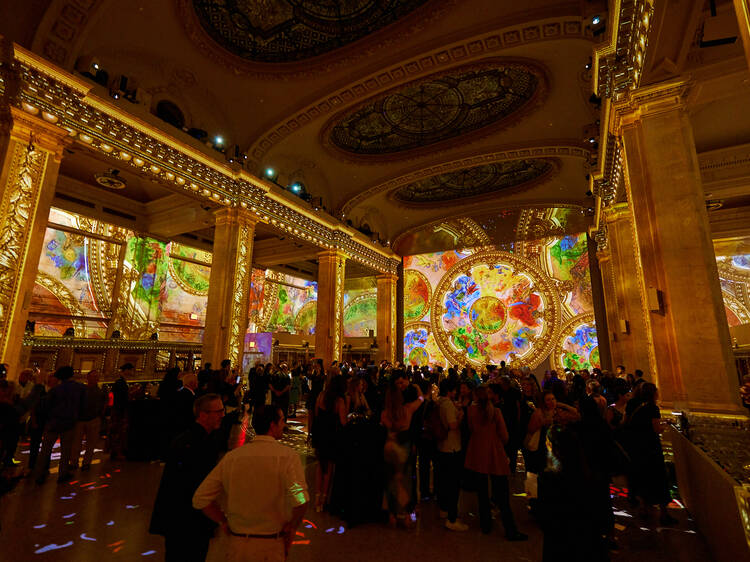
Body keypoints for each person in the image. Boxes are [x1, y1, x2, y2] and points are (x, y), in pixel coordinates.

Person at [192, 406, 309, 562]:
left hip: (238, 542)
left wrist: (223, 520)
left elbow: (200, 498)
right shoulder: (287, 457)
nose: (284, 425)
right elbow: (301, 499)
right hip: (271, 543)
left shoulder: (232, 458)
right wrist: (293, 526)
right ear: (272, 426)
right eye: (282, 421)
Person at [150, 393, 224, 561]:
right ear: (203, 415)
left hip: (186, 519)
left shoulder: (201, 439)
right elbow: (193, 486)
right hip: (186, 521)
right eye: (218, 411)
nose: (222, 415)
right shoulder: (195, 444)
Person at [464, 386, 527, 540]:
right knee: (502, 494)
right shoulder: (496, 412)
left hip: (477, 452)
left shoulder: (471, 411)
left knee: (482, 492)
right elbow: (505, 436)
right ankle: (510, 529)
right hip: (494, 453)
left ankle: (485, 525)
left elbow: (471, 428)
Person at [538, 425, 608, 561]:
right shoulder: (591, 476)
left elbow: (545, 516)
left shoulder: (549, 478)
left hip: (559, 542)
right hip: (588, 543)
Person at [625, 382, 677, 525]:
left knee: (643, 476)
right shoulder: (652, 408)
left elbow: (626, 422)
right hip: (651, 447)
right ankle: (664, 513)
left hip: (637, 446)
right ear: (653, 393)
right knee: (658, 477)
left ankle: (644, 508)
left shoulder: (633, 404)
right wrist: (665, 425)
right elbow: (656, 429)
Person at [381, 375, 424, 527]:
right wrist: (415, 386)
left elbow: (384, 427)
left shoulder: (385, 414)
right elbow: (421, 399)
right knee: (404, 481)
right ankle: (406, 514)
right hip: (404, 447)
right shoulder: (407, 410)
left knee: (391, 481)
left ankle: (392, 514)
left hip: (390, 446)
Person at [34, 366, 85, 484]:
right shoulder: (79, 388)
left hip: (53, 423)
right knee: (66, 451)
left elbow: (46, 406)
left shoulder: (55, 390)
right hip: (69, 423)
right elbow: (83, 405)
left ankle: (39, 475)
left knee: (45, 451)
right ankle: (62, 474)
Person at [436, 378, 466, 531]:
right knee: (453, 484)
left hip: (443, 446)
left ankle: (444, 509)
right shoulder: (447, 404)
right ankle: (452, 518)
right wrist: (460, 416)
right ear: (450, 390)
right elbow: (452, 425)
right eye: (455, 390)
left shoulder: (440, 401)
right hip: (452, 446)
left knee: (444, 480)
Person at [71, 370, 106, 470]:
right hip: (80, 419)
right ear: (87, 377)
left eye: (96, 377)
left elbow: (104, 403)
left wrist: (99, 414)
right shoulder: (82, 389)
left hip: (94, 419)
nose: (94, 379)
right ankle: (74, 462)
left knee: (91, 443)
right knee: (76, 443)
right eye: (92, 377)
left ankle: (86, 462)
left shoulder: (101, 390)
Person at [109, 362, 132, 460]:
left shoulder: (120, 381)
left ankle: (115, 452)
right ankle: (117, 452)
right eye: (131, 370)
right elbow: (122, 397)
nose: (132, 372)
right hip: (119, 410)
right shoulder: (120, 382)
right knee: (119, 432)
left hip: (117, 409)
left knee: (117, 431)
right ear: (126, 370)